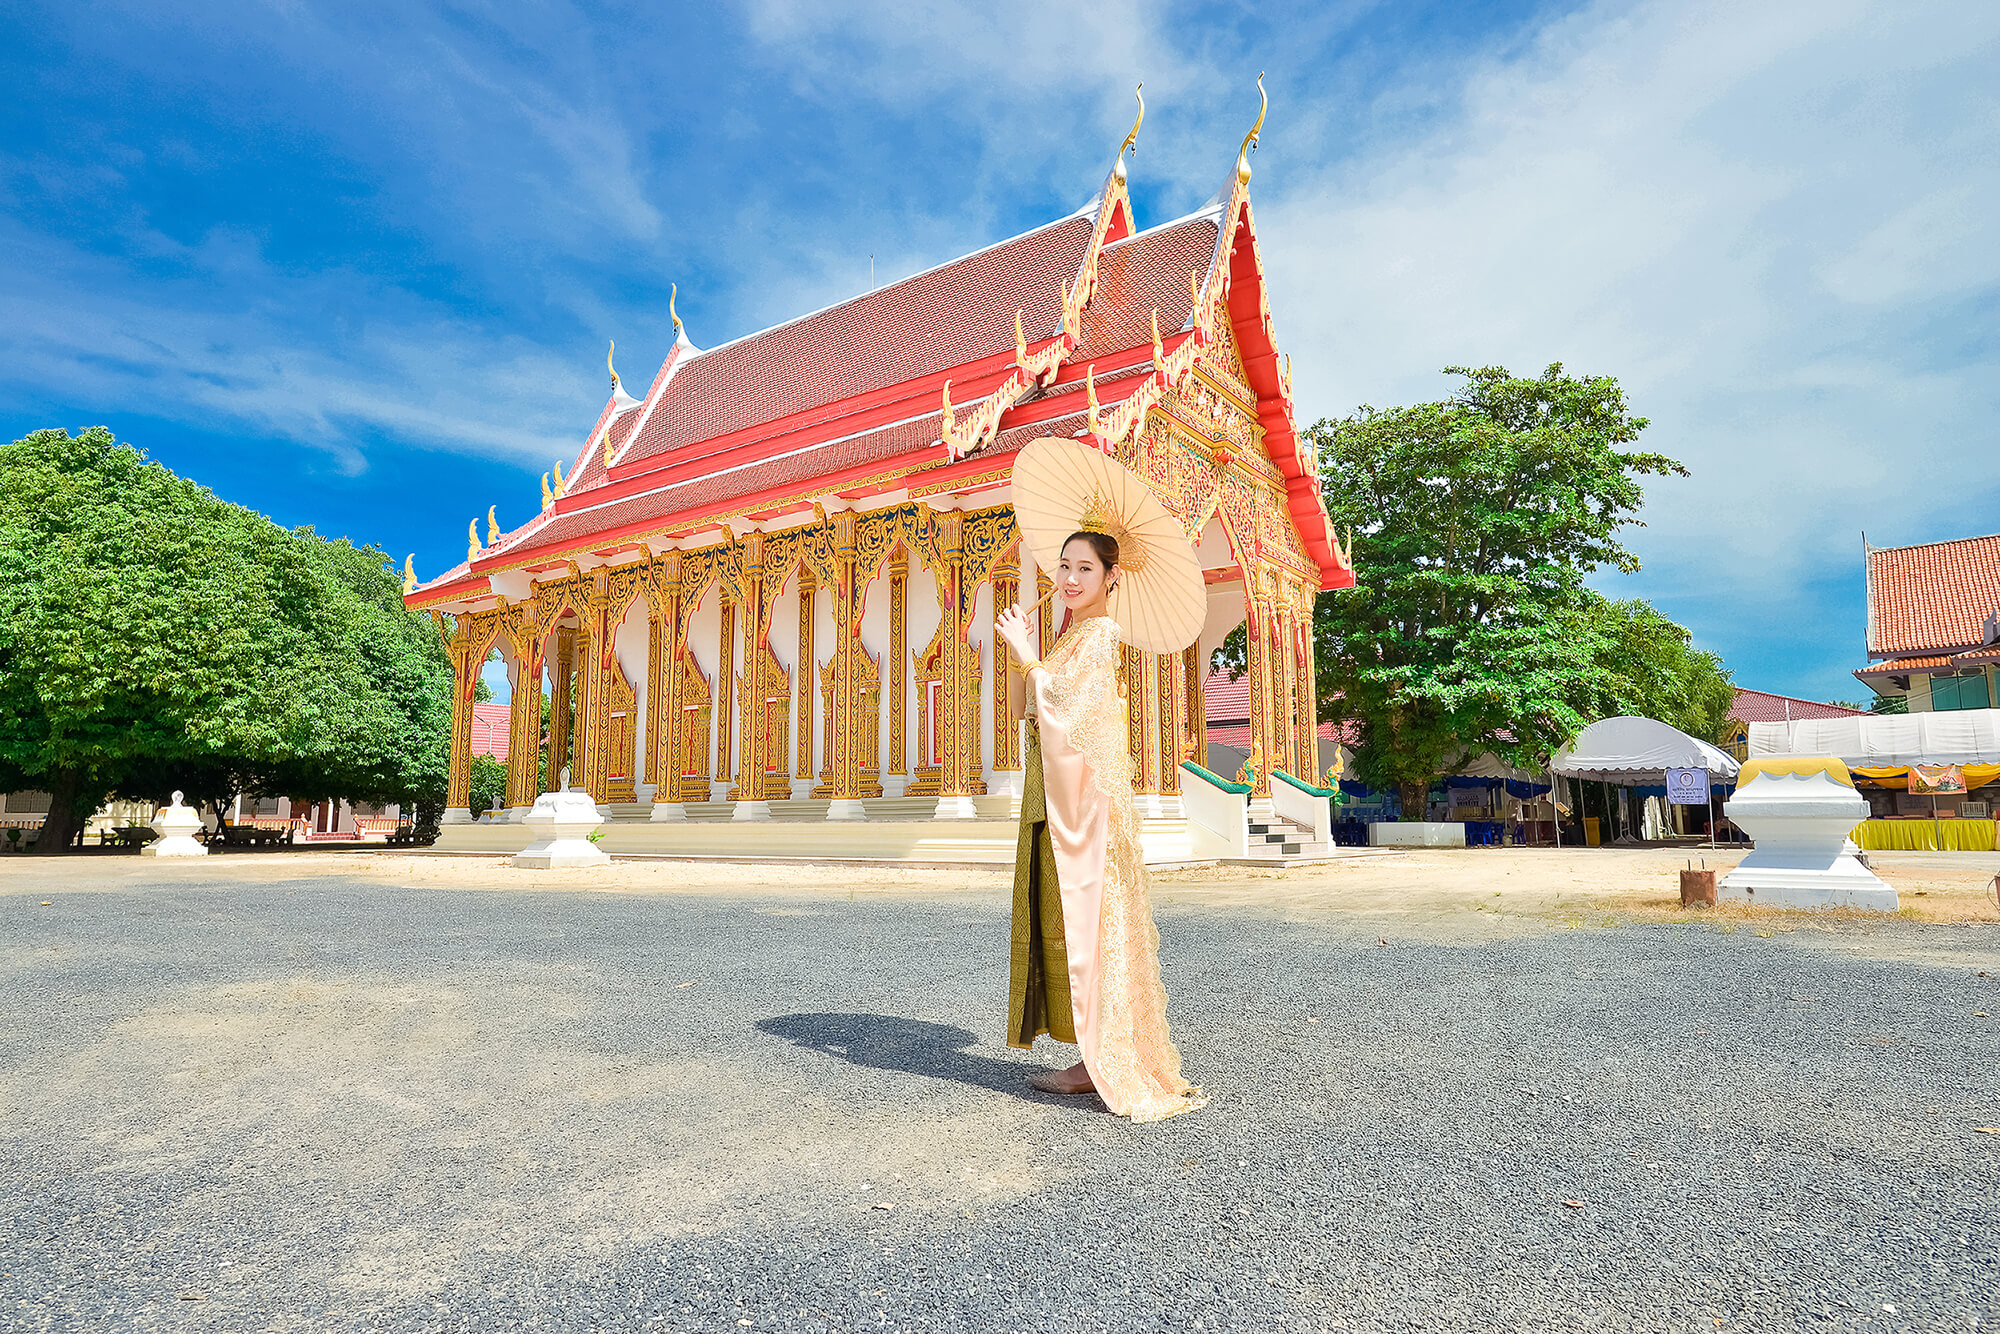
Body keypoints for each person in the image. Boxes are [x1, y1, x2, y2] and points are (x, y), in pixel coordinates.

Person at [992, 529, 1205, 1123]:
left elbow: (1074, 721)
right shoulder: (1069, 636)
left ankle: (1102, 1061)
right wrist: (1027, 656)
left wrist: (1031, 659)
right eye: (1063, 566)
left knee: (1093, 930)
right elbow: (1028, 709)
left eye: (1084, 569)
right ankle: (1093, 1051)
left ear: (1111, 577)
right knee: (1068, 925)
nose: (1069, 580)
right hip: (1054, 800)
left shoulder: (1100, 635)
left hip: (1084, 811)